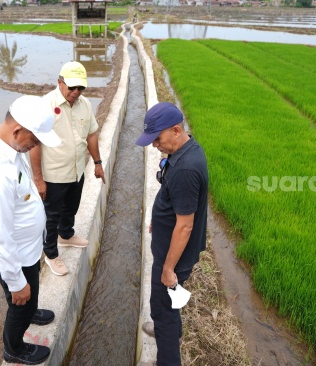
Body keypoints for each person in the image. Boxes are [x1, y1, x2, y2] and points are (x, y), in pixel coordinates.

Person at [0, 95, 61, 365]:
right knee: (20, 301)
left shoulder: (8, 143)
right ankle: (14, 349)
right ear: (18, 130)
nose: (35, 146)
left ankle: (29, 310)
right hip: (15, 257)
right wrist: (15, 282)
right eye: (34, 140)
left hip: (27, 249)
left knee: (28, 295)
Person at [135, 102, 208, 366]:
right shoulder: (186, 149)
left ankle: (167, 349)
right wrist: (158, 217)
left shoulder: (186, 170)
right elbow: (177, 203)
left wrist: (168, 269)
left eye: (157, 139)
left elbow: (185, 226)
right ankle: (173, 331)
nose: (155, 144)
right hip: (172, 250)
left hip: (173, 258)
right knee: (169, 304)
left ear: (176, 130)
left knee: (161, 311)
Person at [30, 61, 105, 276]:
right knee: (51, 215)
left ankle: (66, 235)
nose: (76, 92)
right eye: (71, 87)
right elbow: (34, 143)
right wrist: (38, 179)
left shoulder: (85, 105)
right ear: (59, 82)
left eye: (80, 88)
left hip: (77, 170)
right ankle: (51, 254)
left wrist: (98, 163)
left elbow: (91, 134)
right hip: (54, 174)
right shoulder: (45, 106)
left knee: (71, 207)